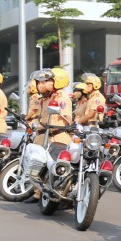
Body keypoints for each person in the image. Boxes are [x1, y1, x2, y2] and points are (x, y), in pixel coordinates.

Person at [26, 68, 73, 203]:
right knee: (37, 164)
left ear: (56, 82)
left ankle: (57, 195)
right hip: (42, 134)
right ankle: (37, 193)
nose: (40, 84)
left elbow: (67, 117)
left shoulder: (61, 97)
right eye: (40, 81)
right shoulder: (46, 98)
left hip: (55, 135)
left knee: (54, 168)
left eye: (46, 81)